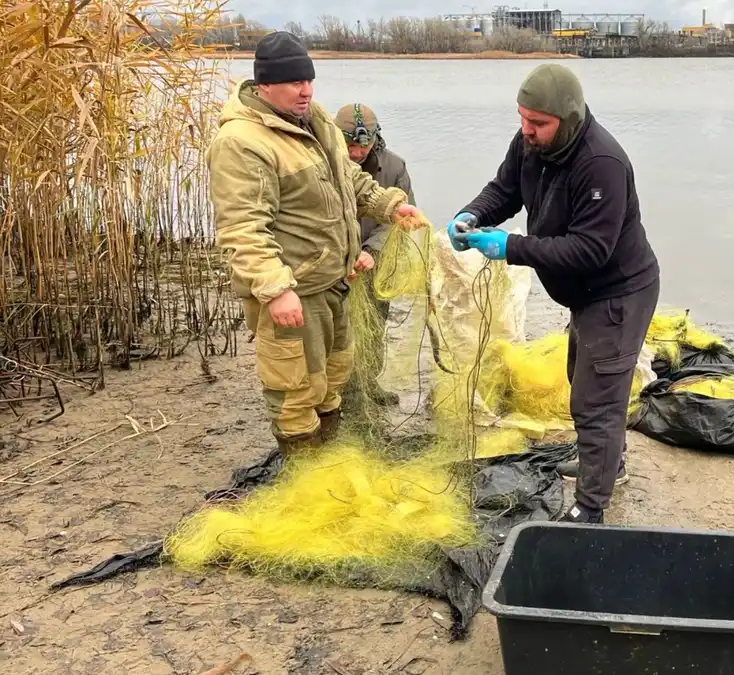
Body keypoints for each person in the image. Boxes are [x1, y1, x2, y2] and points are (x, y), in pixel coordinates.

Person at [448, 64, 660, 524]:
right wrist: (471, 214)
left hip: (618, 290)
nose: (527, 130)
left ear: (567, 118)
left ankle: (590, 507)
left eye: (538, 123)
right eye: (523, 119)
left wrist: (512, 248)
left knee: (595, 399)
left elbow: (590, 250)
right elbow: (504, 190)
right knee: (582, 378)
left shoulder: (601, 163)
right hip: (583, 295)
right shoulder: (529, 143)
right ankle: (608, 464)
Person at [206, 31, 420, 456]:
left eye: (309, 80)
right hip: (293, 296)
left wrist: (389, 204)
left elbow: (350, 181)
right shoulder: (242, 142)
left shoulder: (316, 120)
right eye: (294, 82)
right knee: (295, 392)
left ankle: (327, 461)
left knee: (332, 381)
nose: (306, 90)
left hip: (334, 283)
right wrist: (276, 289)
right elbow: (242, 228)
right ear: (264, 84)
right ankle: (304, 476)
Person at [334, 102, 416, 407]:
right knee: (339, 328)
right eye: (350, 145)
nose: (357, 153)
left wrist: (371, 251)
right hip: (338, 263)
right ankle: (339, 392)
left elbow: (400, 216)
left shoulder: (395, 168)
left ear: (375, 138)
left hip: (377, 263)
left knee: (375, 325)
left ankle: (369, 383)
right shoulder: (326, 165)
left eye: (363, 145)